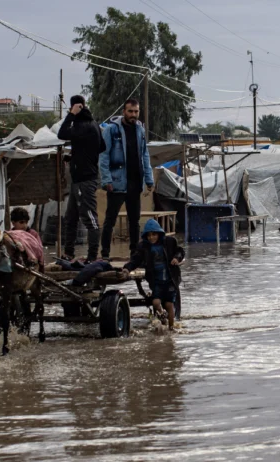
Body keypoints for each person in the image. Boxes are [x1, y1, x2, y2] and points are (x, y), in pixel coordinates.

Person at [99, 99, 154, 259]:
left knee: (134, 221)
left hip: (135, 182)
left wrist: (149, 179)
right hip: (117, 182)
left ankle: (134, 253)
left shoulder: (140, 130)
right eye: (130, 111)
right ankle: (105, 254)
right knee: (110, 219)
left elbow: (145, 154)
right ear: (124, 111)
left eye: (136, 112)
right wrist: (106, 180)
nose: (133, 115)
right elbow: (103, 156)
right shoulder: (111, 130)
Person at [57, 95, 105, 262]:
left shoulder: (83, 125)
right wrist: (76, 157)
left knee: (90, 219)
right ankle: (69, 253)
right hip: (80, 179)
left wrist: (71, 115)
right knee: (71, 218)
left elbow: (61, 133)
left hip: (84, 180)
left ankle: (92, 257)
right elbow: (101, 147)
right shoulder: (94, 124)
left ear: (76, 107)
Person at [123, 219, 185, 329]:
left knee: (169, 305)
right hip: (156, 281)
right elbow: (136, 260)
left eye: (154, 234)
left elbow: (180, 251)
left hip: (170, 280)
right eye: (149, 235)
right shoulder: (144, 247)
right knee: (156, 302)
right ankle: (162, 315)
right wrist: (127, 268)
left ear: (159, 233)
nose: (151, 237)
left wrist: (177, 258)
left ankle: (171, 329)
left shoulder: (169, 242)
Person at [0, 207, 42, 315]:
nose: (24, 225)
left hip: (30, 264)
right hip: (12, 266)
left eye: (26, 222)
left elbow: (38, 248)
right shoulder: (9, 235)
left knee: (38, 282)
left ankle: (38, 303)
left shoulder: (32, 233)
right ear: (13, 223)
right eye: (21, 222)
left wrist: (40, 263)